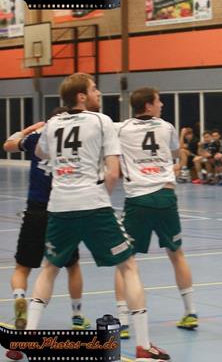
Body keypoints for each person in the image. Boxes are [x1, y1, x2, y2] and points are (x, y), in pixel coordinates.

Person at [27, 73, 170, 361]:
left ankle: (28, 337)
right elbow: (113, 172)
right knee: (128, 266)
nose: (98, 93)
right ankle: (143, 345)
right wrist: (99, 197)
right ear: (81, 96)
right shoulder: (101, 121)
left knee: (49, 268)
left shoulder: (53, 123)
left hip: (60, 206)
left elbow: (41, 153)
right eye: (94, 89)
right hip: (93, 205)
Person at [2, 111, 90, 361]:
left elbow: (8, 144)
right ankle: (77, 315)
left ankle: (20, 298)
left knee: (22, 267)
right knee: (72, 265)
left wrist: (31, 128)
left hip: (35, 211)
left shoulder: (37, 138)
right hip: (62, 211)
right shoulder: (74, 143)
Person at [114, 87, 197, 339]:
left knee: (125, 260)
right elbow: (175, 153)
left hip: (138, 199)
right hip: (164, 196)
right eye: (159, 101)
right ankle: (190, 311)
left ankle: (123, 322)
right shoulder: (167, 127)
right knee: (176, 253)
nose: (162, 105)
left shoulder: (121, 129)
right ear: (148, 105)